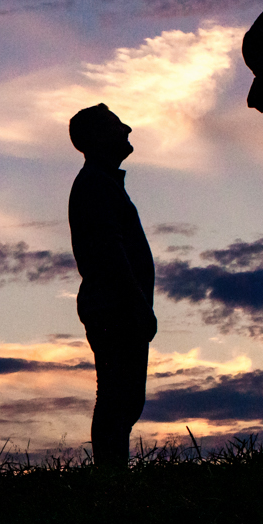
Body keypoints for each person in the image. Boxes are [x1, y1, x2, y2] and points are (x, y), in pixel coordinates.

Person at [67, 104, 156, 468]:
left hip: (117, 306)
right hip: (114, 308)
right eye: (118, 125)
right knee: (118, 397)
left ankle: (113, 474)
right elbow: (109, 250)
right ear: (98, 137)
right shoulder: (95, 184)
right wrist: (136, 302)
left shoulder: (101, 183)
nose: (128, 128)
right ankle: (111, 477)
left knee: (124, 398)